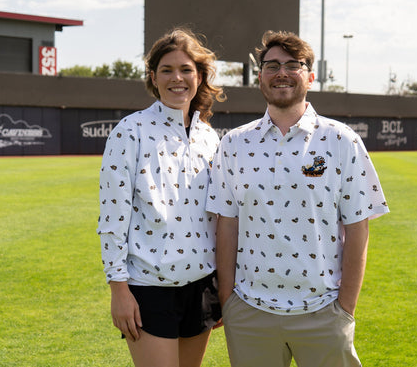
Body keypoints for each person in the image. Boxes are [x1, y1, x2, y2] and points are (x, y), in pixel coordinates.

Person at [206, 30, 389, 367]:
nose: (282, 73)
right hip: (250, 312)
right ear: (260, 76)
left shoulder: (341, 141)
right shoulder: (233, 144)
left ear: (311, 76)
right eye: (272, 65)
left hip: (323, 311)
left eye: (294, 65)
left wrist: (345, 307)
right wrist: (228, 298)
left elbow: (358, 228)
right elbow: (226, 225)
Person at [97, 27, 226, 367]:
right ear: (153, 77)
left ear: (200, 76)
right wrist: (119, 290)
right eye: (167, 70)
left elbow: (219, 219)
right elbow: (113, 217)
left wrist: (221, 289)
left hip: (202, 285)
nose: (177, 78)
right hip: (148, 287)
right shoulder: (129, 131)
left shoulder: (209, 138)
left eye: (186, 69)